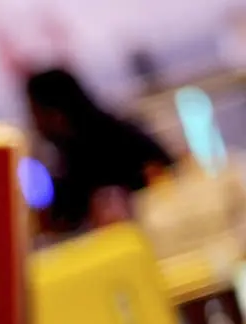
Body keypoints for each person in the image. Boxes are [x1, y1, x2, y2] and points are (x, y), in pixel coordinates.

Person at [26, 67, 174, 234]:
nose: (34, 124)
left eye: (34, 112)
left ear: (55, 113)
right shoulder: (69, 156)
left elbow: (164, 178)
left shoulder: (114, 143)